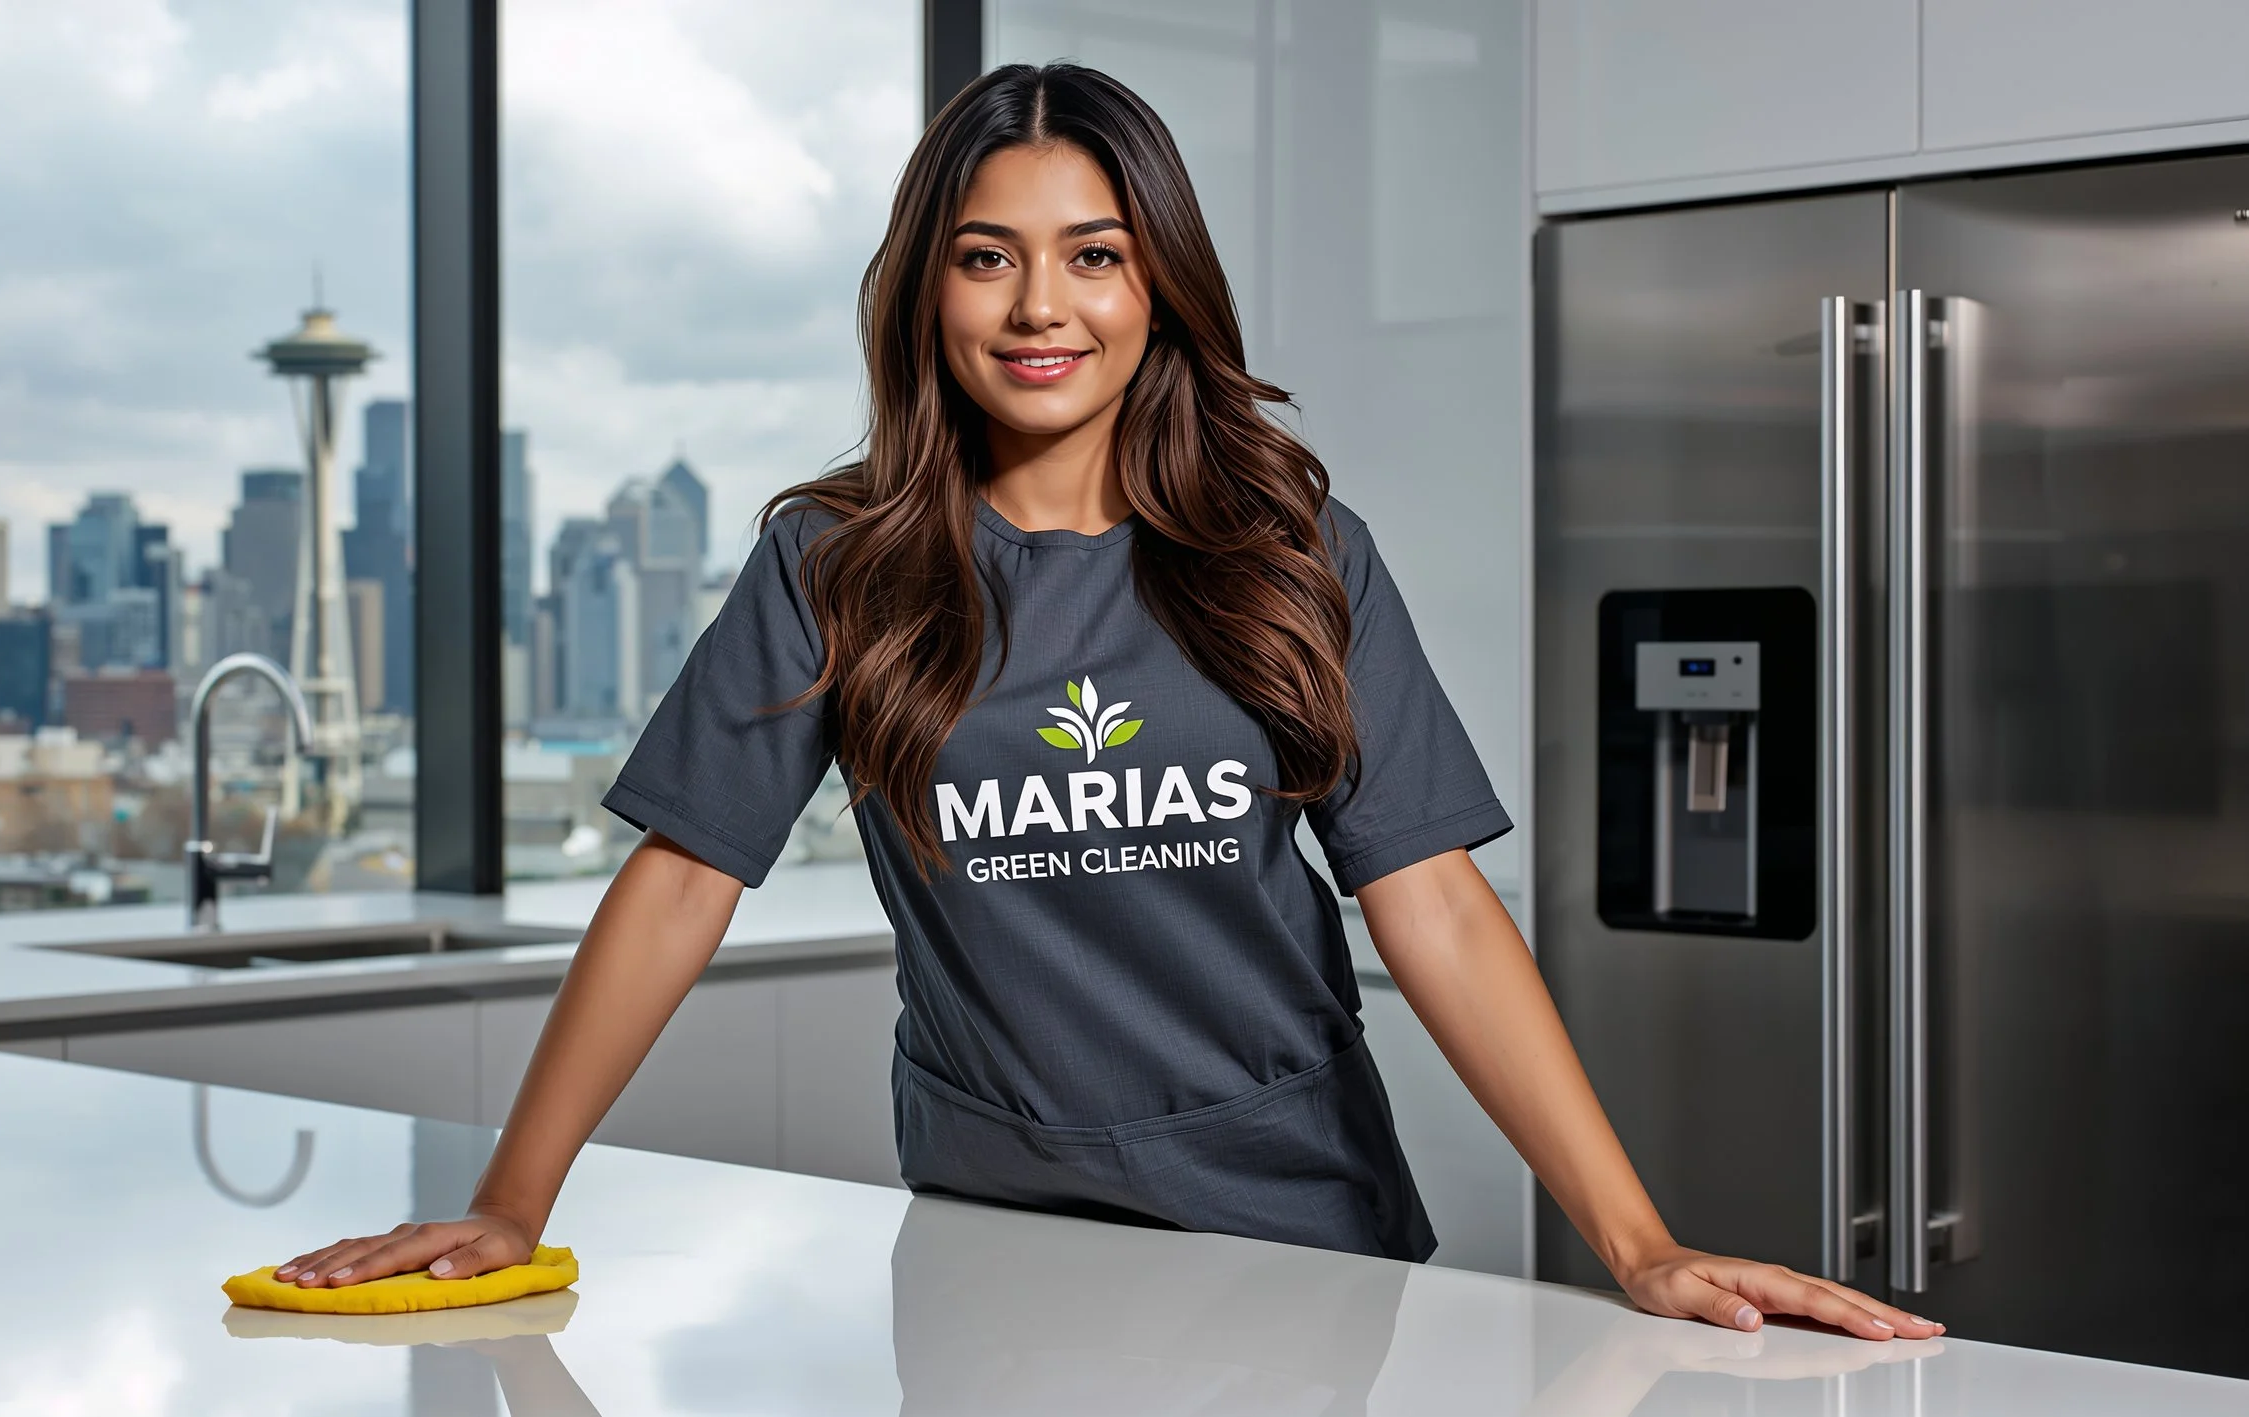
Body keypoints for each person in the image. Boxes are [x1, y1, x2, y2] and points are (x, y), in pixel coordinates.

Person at [275, 62, 1941, 1344]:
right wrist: (512, 1201)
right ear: (926, 289)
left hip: (1301, 1239)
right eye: (986, 259)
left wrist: (1636, 1244)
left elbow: (1432, 901)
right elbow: (680, 880)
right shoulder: (835, 565)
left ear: (1159, 287)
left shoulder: (1290, 548)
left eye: (1094, 256)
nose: (1039, 309)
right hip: (991, 1240)